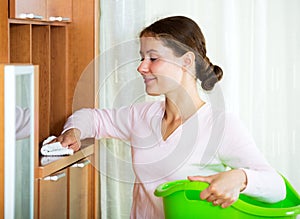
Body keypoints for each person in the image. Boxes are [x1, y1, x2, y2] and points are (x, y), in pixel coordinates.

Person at [55, 16, 286, 218]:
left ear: (186, 61)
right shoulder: (142, 116)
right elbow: (92, 118)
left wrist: (241, 178)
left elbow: (277, 188)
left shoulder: (219, 126)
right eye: (141, 58)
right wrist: (73, 131)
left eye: (153, 58)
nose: (141, 68)